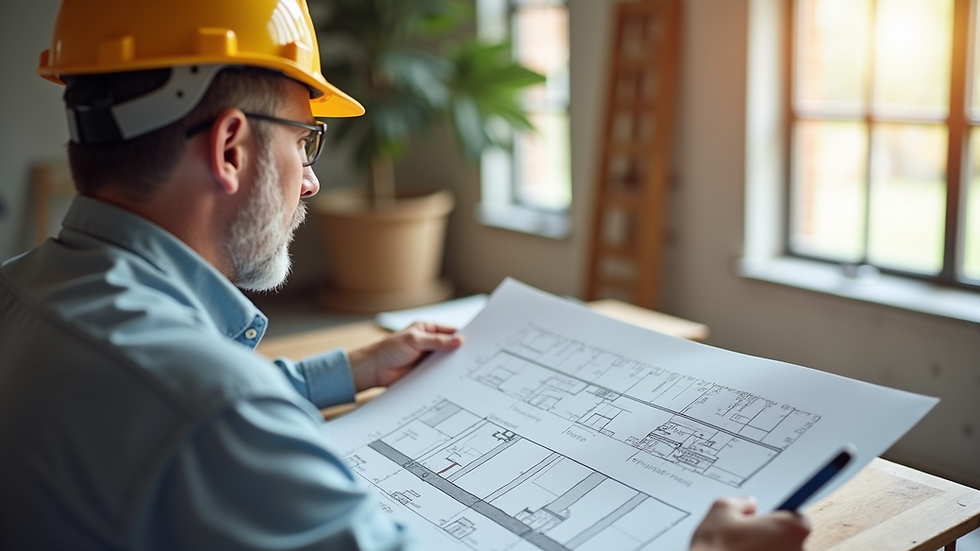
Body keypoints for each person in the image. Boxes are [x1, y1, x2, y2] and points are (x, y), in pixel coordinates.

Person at [0, 0, 810, 549]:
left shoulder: (21, 292)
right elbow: (202, 418)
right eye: (304, 142)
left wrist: (345, 370)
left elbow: (156, 418)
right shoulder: (213, 412)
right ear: (233, 147)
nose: (310, 179)